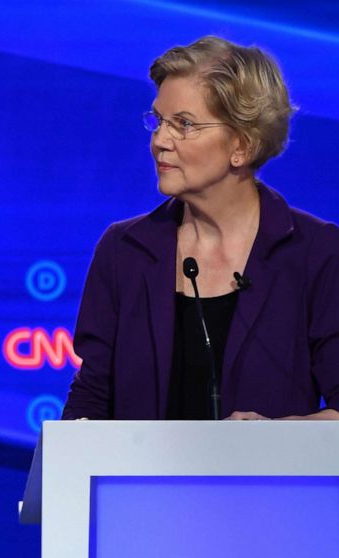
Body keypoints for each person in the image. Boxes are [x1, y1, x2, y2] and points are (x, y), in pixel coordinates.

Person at [62, 36, 339, 421]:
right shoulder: (123, 251)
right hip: (139, 481)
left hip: (264, 481)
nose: (160, 141)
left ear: (241, 146)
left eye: (184, 124)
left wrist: (281, 434)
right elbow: (90, 401)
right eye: (158, 121)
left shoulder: (317, 253)